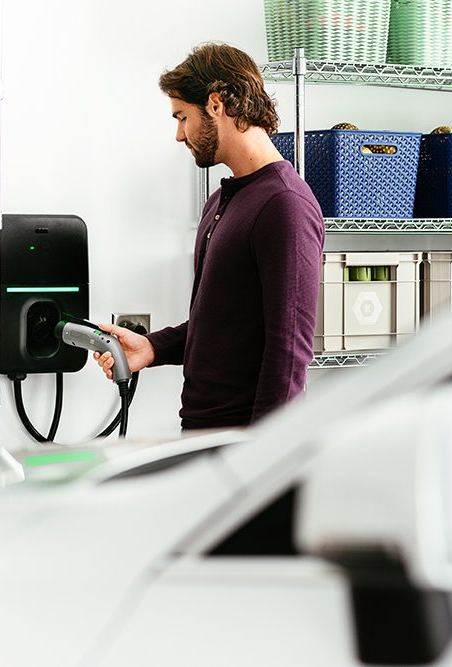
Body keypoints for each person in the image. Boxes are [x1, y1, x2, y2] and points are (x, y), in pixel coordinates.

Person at [94, 42, 325, 431]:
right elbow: (222, 323)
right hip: (202, 431)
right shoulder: (223, 199)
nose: (179, 135)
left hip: (242, 441)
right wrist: (152, 347)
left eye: (182, 117)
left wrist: (260, 457)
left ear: (216, 104)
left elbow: (288, 351)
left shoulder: (284, 205)